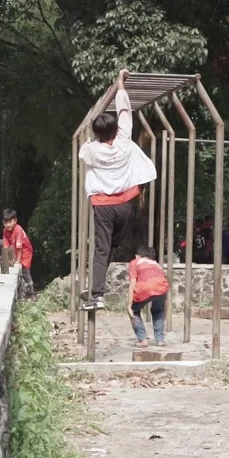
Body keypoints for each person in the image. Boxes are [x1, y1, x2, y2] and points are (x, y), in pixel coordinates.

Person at [79, 69, 157, 311]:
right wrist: (120, 84)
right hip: (125, 205)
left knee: (102, 248)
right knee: (112, 245)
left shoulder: (91, 150)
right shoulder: (124, 141)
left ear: (97, 135)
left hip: (103, 205)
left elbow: (84, 151)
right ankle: (98, 287)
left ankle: (97, 295)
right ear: (115, 130)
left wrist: (94, 136)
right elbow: (124, 109)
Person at [128, 245, 169, 347]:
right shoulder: (156, 264)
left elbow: (132, 283)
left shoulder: (135, 262)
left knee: (134, 311)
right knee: (158, 311)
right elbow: (163, 281)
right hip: (161, 289)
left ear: (137, 256)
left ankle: (142, 340)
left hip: (144, 288)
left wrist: (128, 306)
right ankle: (160, 340)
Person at [2, 209, 34, 295]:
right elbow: (5, 247)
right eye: (5, 222)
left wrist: (17, 262)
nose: (8, 225)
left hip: (25, 252)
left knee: (25, 272)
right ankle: (20, 292)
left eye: (10, 222)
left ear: (15, 221)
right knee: (11, 269)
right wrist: (6, 261)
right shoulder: (5, 231)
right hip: (15, 251)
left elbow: (19, 247)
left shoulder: (18, 230)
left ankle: (31, 292)